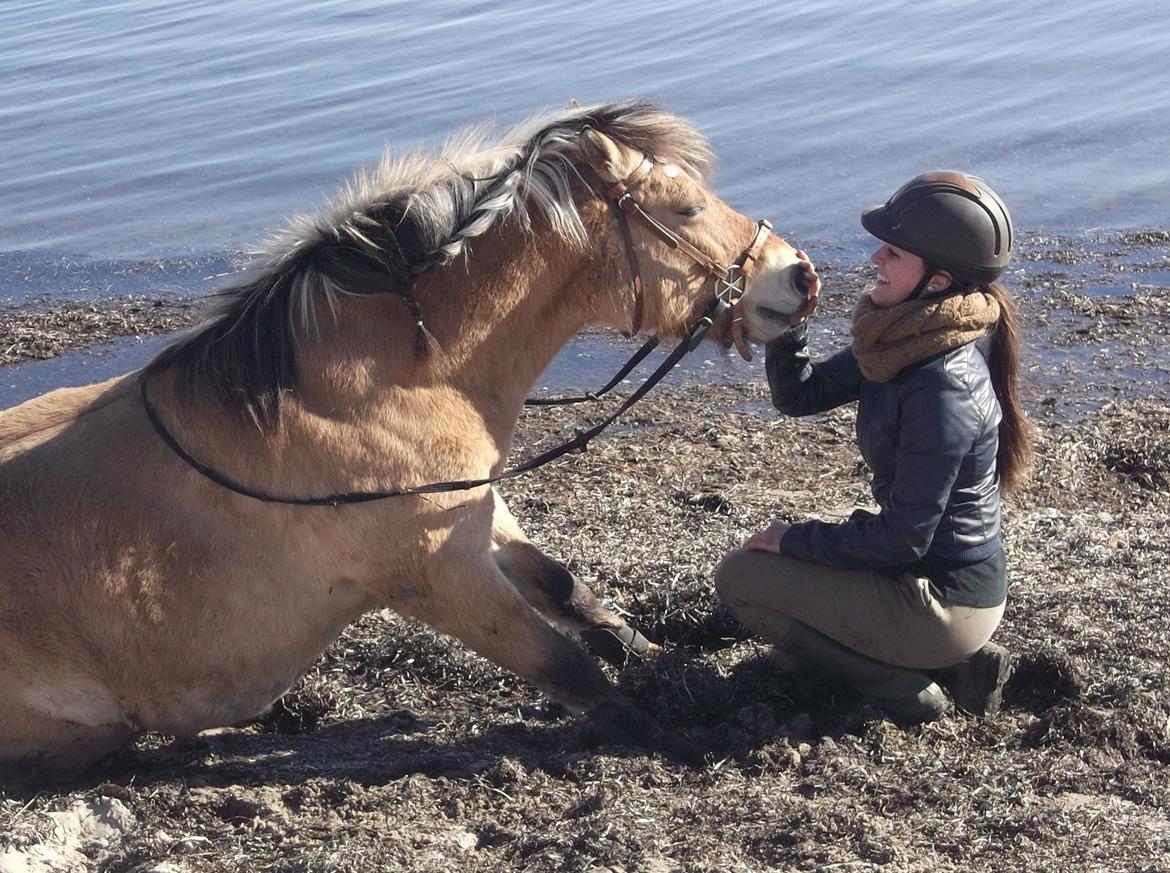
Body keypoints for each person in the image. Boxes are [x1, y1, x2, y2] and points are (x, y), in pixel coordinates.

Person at [715, 171, 1032, 724]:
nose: (876, 259)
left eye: (894, 253)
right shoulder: (903, 343)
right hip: (918, 576)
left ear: (937, 281)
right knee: (780, 589)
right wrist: (792, 320)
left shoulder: (943, 386)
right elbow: (800, 395)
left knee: (741, 578)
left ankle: (906, 687)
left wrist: (793, 539)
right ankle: (917, 661)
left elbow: (901, 540)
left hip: (946, 602)